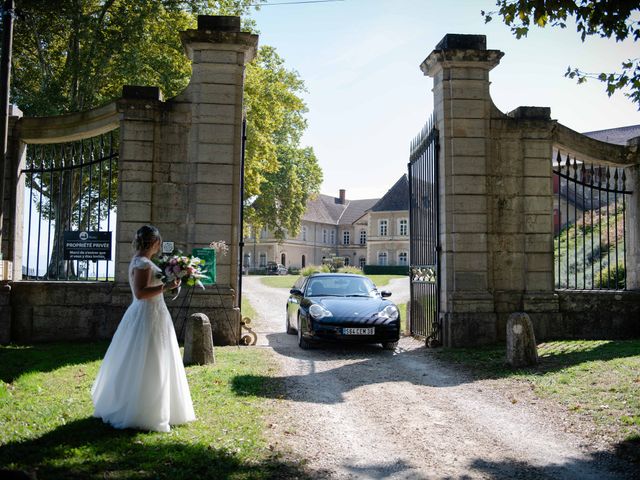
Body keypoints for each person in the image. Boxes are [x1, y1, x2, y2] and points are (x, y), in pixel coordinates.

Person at [91, 225, 196, 432]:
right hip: (147, 314)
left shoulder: (143, 261)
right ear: (154, 242)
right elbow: (140, 293)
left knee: (155, 357)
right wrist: (166, 287)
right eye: (158, 241)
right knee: (149, 358)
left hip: (153, 312)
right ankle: (143, 410)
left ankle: (162, 407)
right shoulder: (142, 263)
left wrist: (172, 281)